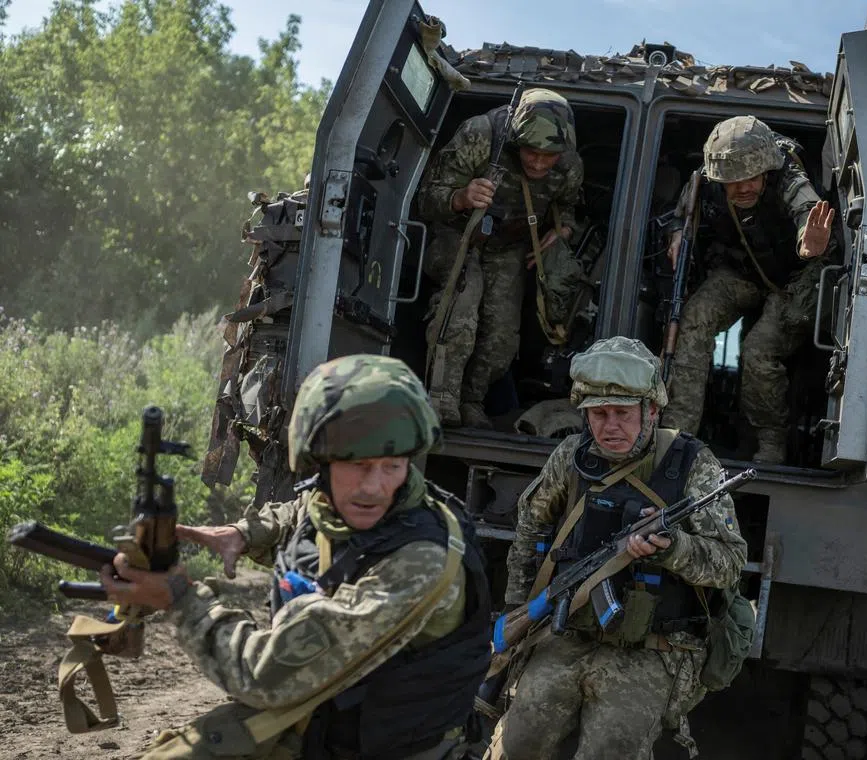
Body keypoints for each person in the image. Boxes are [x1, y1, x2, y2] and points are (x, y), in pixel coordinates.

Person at [99, 354, 493, 760]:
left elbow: (262, 678)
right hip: (323, 728)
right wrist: (244, 534)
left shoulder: (420, 561)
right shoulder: (344, 503)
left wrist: (179, 600)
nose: (375, 486)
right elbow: (305, 511)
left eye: (391, 466)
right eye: (357, 465)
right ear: (319, 462)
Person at [486, 336, 747, 759]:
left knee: (612, 748)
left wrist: (672, 549)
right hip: (565, 633)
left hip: (649, 648)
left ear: (652, 410)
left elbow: (730, 562)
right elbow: (530, 528)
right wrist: (519, 612)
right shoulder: (571, 457)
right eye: (599, 414)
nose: (610, 426)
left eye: (623, 414)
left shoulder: (692, 465)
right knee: (519, 741)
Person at [660, 115, 835, 464]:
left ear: (766, 170)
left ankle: (770, 442)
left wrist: (810, 243)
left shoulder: (788, 176)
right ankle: (676, 433)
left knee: (758, 351)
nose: (742, 189)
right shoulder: (705, 180)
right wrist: (678, 235)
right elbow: (682, 215)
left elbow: (807, 212)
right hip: (742, 271)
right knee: (693, 321)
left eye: (751, 179)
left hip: (796, 278)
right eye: (733, 182)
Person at [416, 87, 584, 430]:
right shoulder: (480, 135)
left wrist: (563, 229)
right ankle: (441, 398)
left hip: (509, 246)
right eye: (531, 151)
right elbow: (425, 199)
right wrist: (461, 197)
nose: (538, 162)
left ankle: (472, 400)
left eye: (548, 155)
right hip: (458, 234)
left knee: (502, 335)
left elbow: (570, 206)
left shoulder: (569, 165)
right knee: (463, 302)